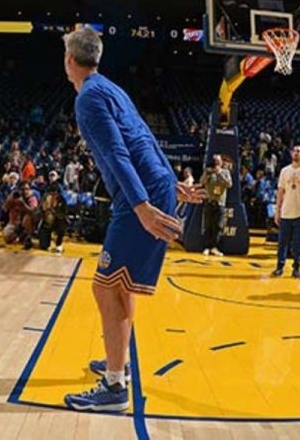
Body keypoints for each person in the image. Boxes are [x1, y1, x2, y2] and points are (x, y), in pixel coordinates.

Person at [60, 29, 202, 413]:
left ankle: (114, 387)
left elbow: (117, 152)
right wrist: (171, 181)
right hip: (154, 183)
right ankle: (116, 363)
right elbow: (147, 137)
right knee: (121, 286)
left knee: (105, 287)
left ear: (70, 60)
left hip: (139, 193)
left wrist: (141, 205)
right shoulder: (111, 88)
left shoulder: (88, 98)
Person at [272, 145, 300, 279]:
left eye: (299, 151)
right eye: (294, 151)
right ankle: (279, 267)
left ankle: (296, 268)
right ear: (291, 154)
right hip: (286, 212)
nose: (296, 153)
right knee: (282, 243)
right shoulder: (285, 171)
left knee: (298, 244)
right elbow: (280, 192)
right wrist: (277, 211)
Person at [200, 155, 232, 257]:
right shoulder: (209, 172)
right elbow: (201, 182)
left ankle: (215, 247)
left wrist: (220, 174)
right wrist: (208, 174)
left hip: (220, 203)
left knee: (218, 226)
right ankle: (206, 247)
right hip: (210, 202)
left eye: (219, 161)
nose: (217, 163)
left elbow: (229, 184)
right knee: (208, 226)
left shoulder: (225, 172)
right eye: (215, 161)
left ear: (221, 162)